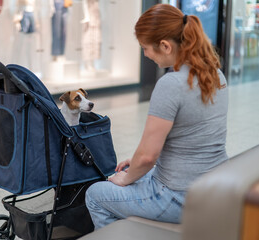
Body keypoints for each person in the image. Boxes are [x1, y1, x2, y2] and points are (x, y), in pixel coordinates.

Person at [85, 4, 228, 230]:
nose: (145, 55)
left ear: (165, 45)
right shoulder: (214, 74)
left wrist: (128, 177)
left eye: (145, 48)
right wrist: (137, 168)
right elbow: (190, 137)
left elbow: (147, 157)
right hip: (214, 187)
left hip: (179, 197)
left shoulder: (170, 84)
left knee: (95, 194)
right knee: (132, 172)